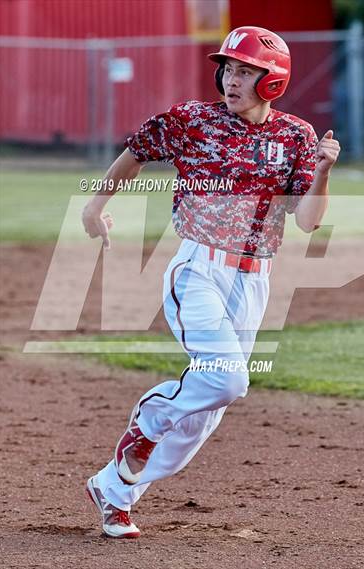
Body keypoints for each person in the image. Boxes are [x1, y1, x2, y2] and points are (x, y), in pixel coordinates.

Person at [82, 26, 340, 538]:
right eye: (228, 68)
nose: (231, 79)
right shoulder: (192, 120)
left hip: (255, 280)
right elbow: (135, 152)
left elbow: (308, 222)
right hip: (198, 270)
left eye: (246, 71)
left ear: (272, 82)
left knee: (205, 414)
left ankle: (114, 490)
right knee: (226, 380)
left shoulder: (296, 136)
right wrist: (95, 204)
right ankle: (145, 426)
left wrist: (323, 174)